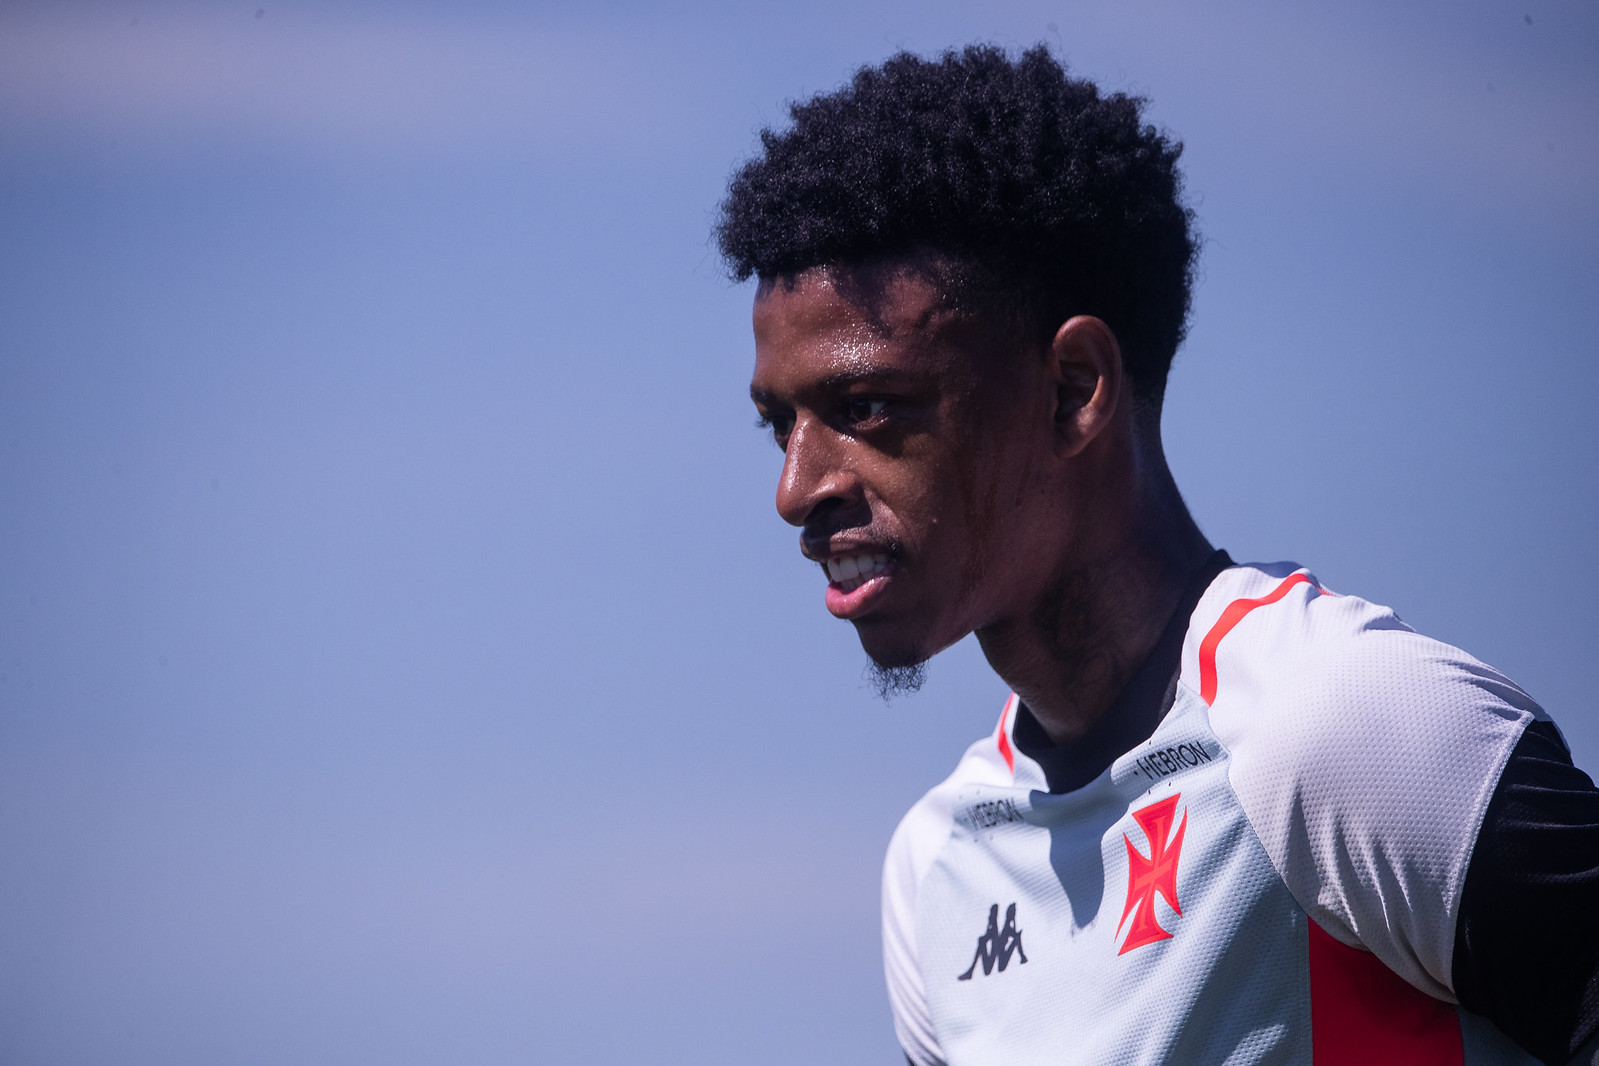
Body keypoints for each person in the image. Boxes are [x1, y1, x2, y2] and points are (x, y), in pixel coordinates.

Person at [716, 44, 1599, 1066]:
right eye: (778, 425)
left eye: (867, 405)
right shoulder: (935, 871)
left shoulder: (1334, 727)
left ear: (1074, 390)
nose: (796, 489)